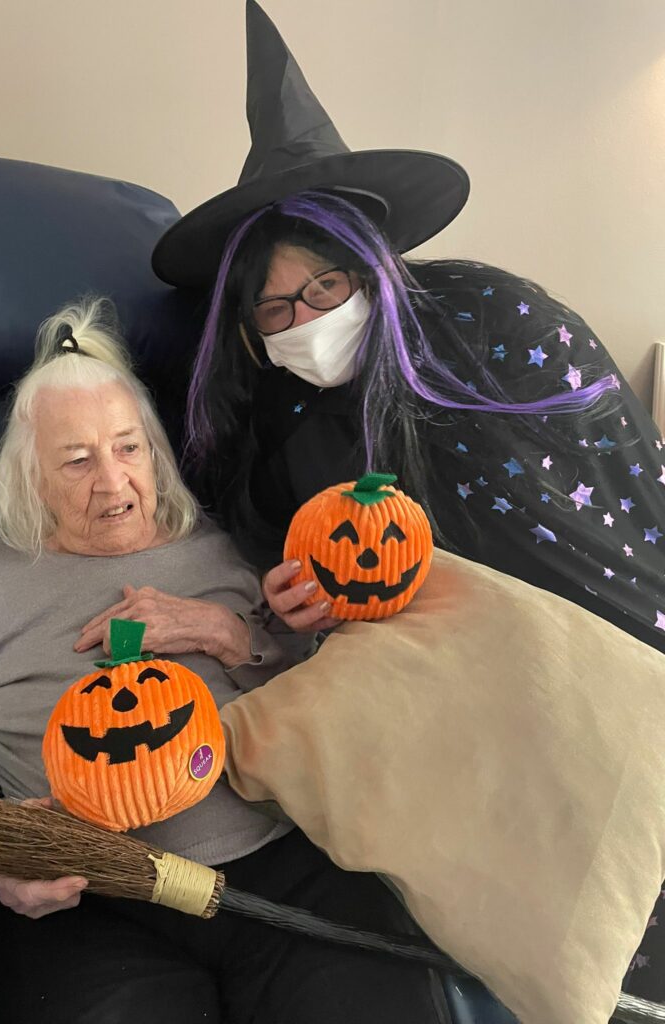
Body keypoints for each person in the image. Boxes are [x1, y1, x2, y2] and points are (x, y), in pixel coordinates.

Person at [150, 0, 665, 1003]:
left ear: (371, 269)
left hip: (594, 661)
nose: (304, 320)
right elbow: (315, 586)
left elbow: (598, 498)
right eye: (275, 307)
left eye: (324, 288)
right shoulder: (275, 430)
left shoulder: (492, 321)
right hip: (454, 706)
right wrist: (297, 608)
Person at [0, 297, 452, 1024]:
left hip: (276, 862)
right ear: (29, 479)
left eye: (128, 448)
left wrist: (226, 633)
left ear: (155, 453)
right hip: (90, 896)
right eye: (76, 460)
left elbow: (324, 703)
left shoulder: (229, 549)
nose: (113, 482)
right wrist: (0, 859)